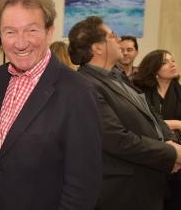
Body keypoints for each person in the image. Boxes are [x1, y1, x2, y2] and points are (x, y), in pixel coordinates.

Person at [0, 0, 102, 210]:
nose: (20, 43)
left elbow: (83, 187)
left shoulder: (78, 92)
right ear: (0, 35)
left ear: (49, 31)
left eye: (31, 30)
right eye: (10, 32)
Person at [68, 16, 181, 210]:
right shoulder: (85, 86)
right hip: (121, 193)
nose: (119, 40)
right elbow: (117, 139)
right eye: (112, 36)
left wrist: (170, 141)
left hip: (146, 184)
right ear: (98, 48)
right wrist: (169, 153)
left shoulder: (117, 76)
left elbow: (150, 113)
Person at [133, 49, 181, 210]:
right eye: (166, 62)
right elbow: (140, 123)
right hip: (150, 156)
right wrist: (177, 123)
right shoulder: (139, 93)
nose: (172, 64)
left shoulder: (179, 92)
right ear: (154, 69)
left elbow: (154, 121)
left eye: (173, 60)